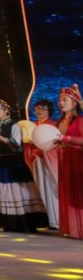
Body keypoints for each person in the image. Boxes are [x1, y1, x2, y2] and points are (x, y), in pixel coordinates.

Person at [0, 98, 48, 232]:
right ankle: (9, 223)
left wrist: (0, 138)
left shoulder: (13, 125)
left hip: (12, 164)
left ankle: (24, 222)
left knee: (17, 192)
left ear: (6, 110)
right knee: (4, 193)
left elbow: (17, 146)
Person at [25, 98, 60, 230]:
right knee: (39, 189)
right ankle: (45, 219)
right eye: (37, 108)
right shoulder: (32, 126)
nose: (39, 111)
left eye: (43, 108)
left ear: (49, 110)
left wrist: (43, 149)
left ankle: (56, 219)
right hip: (35, 161)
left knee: (50, 189)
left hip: (49, 161)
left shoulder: (53, 125)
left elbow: (56, 145)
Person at [55, 85, 83, 239]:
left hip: (78, 160)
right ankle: (73, 228)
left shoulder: (79, 120)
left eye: (65, 100)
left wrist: (67, 139)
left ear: (74, 103)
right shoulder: (59, 122)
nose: (61, 102)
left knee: (79, 193)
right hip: (64, 160)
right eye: (60, 100)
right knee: (68, 193)